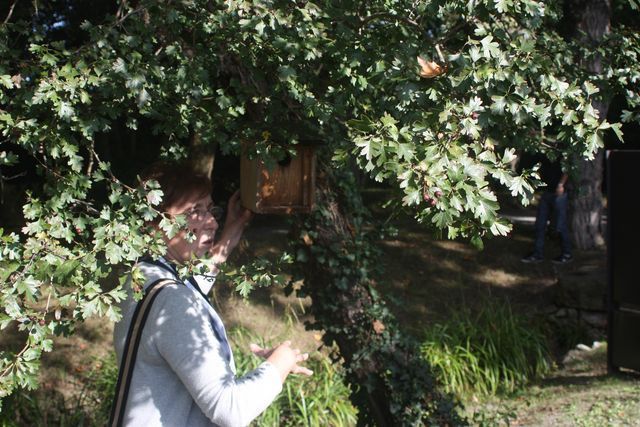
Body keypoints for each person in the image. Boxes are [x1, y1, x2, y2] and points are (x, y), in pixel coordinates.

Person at [112, 162, 312, 426]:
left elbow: (194, 284)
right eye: (194, 211)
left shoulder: (141, 276)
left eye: (209, 209)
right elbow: (230, 409)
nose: (211, 221)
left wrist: (234, 227)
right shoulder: (173, 302)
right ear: (154, 224)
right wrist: (279, 365)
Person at [521, 155, 573, 264]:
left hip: (559, 194)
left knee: (560, 224)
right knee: (540, 224)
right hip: (547, 191)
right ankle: (537, 253)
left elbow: (567, 169)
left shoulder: (562, 151)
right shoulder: (545, 152)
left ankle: (567, 254)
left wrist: (561, 184)